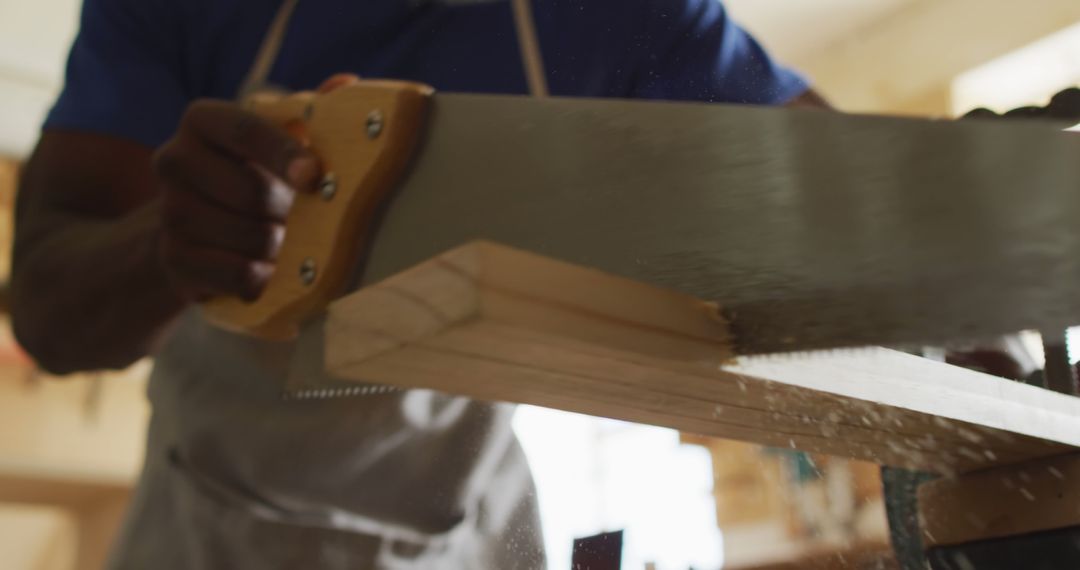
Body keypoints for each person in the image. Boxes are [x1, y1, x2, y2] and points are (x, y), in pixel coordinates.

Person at [12, 0, 826, 568]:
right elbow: (48, 312)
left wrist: (953, 210)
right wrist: (169, 239)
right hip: (211, 531)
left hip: (467, 526)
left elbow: (850, 203)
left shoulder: (628, 18)